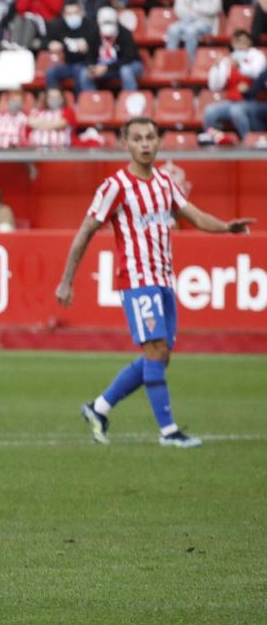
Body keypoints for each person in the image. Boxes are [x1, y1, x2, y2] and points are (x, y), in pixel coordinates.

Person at [56, 116, 253, 448]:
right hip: (137, 280)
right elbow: (85, 231)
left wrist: (226, 227)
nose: (145, 144)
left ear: (159, 142)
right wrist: (66, 281)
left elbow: (195, 215)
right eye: (137, 138)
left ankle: (98, 408)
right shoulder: (115, 186)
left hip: (164, 279)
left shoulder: (164, 182)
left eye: (150, 137)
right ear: (126, 144)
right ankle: (169, 432)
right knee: (156, 349)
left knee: (160, 355)